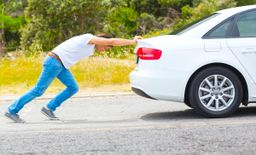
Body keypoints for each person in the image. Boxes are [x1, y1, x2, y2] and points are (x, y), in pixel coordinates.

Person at [5, 33, 142, 123]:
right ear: (102, 41)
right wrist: (133, 41)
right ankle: (12, 110)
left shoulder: (90, 47)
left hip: (60, 65)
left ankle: (49, 108)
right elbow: (112, 40)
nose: (105, 49)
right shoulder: (88, 38)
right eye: (106, 47)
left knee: (73, 88)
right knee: (38, 90)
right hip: (54, 62)